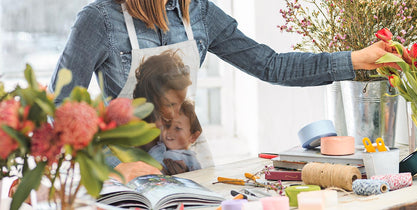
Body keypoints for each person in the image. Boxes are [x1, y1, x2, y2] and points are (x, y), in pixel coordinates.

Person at [48, 0, 398, 181]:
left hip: (188, 172)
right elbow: (58, 106)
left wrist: (355, 60)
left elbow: (270, 64)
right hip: (127, 181)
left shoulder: (198, 12)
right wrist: (108, 169)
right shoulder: (100, 18)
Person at [149, 99, 203, 175]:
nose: (169, 132)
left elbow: (199, 179)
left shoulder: (191, 160)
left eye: (177, 128)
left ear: (193, 137)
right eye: (167, 125)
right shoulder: (156, 149)